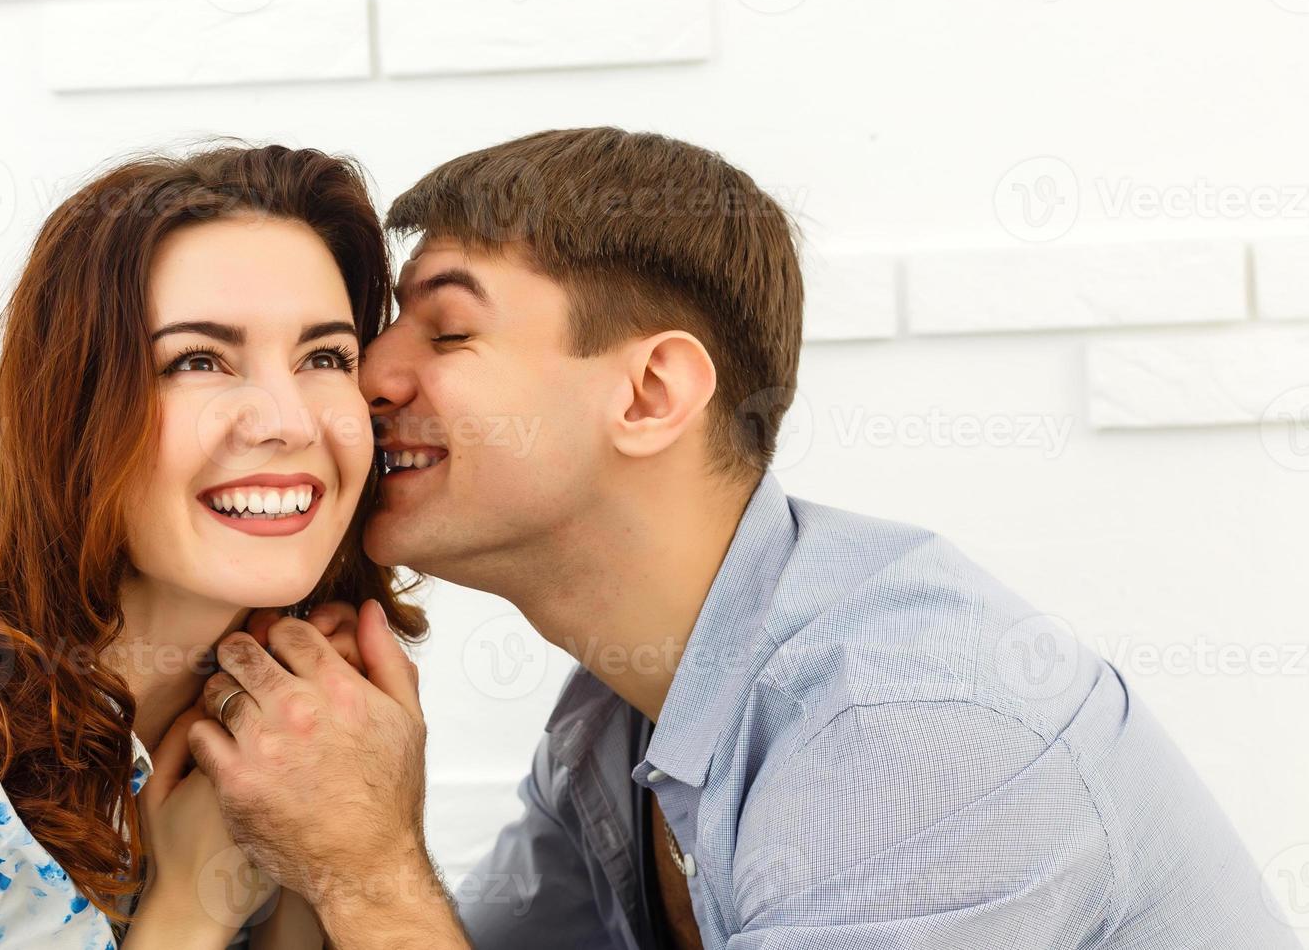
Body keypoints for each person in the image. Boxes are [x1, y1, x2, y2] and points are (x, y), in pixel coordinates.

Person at [195, 127, 1297, 949]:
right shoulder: (622, 726)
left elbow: (401, 918)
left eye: (446, 328)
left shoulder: (910, 729)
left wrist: (370, 867)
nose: (370, 377)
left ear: (652, 392)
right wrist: (302, 842)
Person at [0, 143, 425, 948]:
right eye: (196, 361)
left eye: (325, 357)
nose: (288, 420)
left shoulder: (307, 718)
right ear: (73, 415)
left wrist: (332, 864)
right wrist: (188, 913)